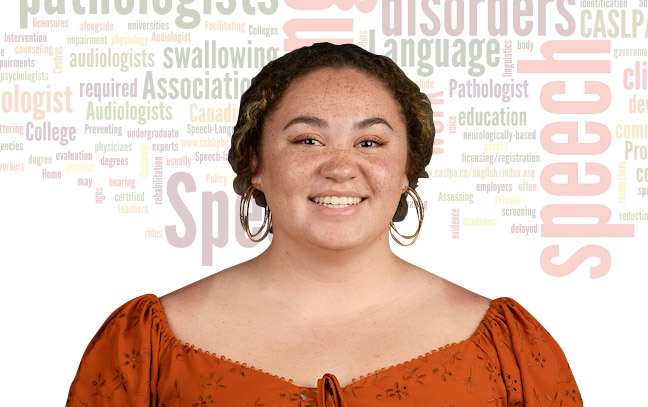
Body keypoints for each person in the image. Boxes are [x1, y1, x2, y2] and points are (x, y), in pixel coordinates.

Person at [66, 43, 583, 406]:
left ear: (407, 170)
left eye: (371, 143)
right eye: (307, 140)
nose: (340, 167)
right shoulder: (146, 348)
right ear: (256, 165)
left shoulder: (510, 350)